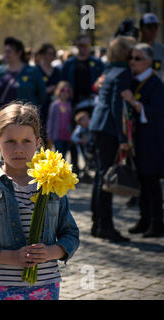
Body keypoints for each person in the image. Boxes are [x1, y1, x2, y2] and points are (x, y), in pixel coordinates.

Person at [0, 102, 79, 300]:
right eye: (10, 142)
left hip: (48, 286)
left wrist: (51, 252)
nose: (18, 149)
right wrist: (11, 257)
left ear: (38, 143)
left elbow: (71, 234)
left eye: (26, 141)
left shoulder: (52, 183)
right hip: (6, 287)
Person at [89, 36, 136, 242]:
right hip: (109, 128)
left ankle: (98, 223)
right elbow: (117, 107)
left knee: (101, 177)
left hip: (99, 124)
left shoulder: (108, 70)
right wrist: (122, 136)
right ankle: (106, 226)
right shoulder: (124, 72)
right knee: (106, 179)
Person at [120, 43, 164, 237]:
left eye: (137, 58)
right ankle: (144, 219)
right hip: (137, 140)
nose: (132, 62)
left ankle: (157, 223)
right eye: (131, 58)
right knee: (142, 182)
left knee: (152, 182)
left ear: (148, 62)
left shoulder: (155, 84)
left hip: (152, 141)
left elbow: (157, 112)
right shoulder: (134, 80)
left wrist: (134, 102)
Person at [62, 35, 104, 177]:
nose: (83, 49)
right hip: (74, 103)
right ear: (76, 46)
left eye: (86, 46)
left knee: (93, 135)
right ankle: (75, 167)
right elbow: (62, 83)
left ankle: (93, 165)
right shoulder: (69, 64)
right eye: (80, 45)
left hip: (93, 104)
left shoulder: (97, 63)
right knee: (74, 135)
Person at [0, 37, 46, 129]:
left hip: (25, 122)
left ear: (19, 52)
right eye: (5, 51)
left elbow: (42, 96)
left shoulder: (33, 71)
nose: (6, 54)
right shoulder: (0, 71)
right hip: (2, 121)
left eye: (9, 51)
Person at [37, 43, 61, 145]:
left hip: (54, 108)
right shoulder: (35, 71)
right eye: (49, 53)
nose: (52, 56)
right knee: (39, 136)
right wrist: (45, 90)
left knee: (50, 138)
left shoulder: (57, 71)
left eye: (53, 54)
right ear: (42, 55)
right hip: (40, 107)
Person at [47, 81, 73, 157]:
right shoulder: (54, 105)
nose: (65, 93)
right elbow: (50, 121)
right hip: (57, 135)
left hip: (67, 135)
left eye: (67, 91)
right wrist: (49, 135)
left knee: (65, 154)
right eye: (62, 90)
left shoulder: (70, 105)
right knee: (59, 155)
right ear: (58, 91)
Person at [139, 13, 164, 82]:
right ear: (141, 28)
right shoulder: (134, 49)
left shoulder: (161, 49)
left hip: (157, 91)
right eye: (149, 27)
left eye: (155, 27)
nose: (153, 30)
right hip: (137, 91)